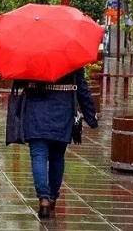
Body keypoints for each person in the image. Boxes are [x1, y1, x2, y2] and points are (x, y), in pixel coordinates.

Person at [13, 68, 98, 218]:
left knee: (38, 155)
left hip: (36, 111)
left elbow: (19, 81)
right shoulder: (72, 53)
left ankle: (43, 198)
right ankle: (52, 196)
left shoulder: (31, 52)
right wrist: (91, 116)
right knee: (57, 157)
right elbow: (82, 87)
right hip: (62, 110)